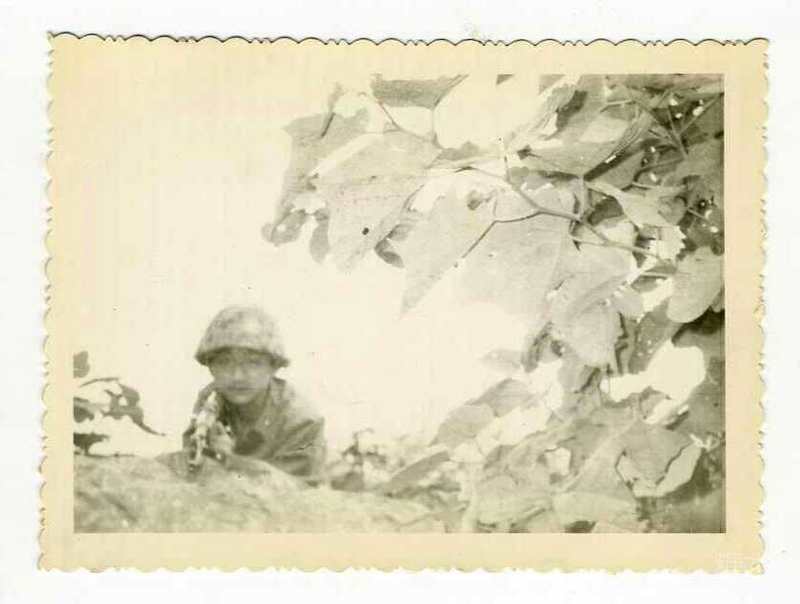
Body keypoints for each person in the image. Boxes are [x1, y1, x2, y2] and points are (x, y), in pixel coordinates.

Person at [183, 305, 326, 481]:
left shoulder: (301, 421)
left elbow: (294, 491)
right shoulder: (211, 401)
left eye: (253, 363)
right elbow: (190, 470)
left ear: (274, 366)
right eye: (225, 362)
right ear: (210, 367)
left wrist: (229, 461)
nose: (237, 376)